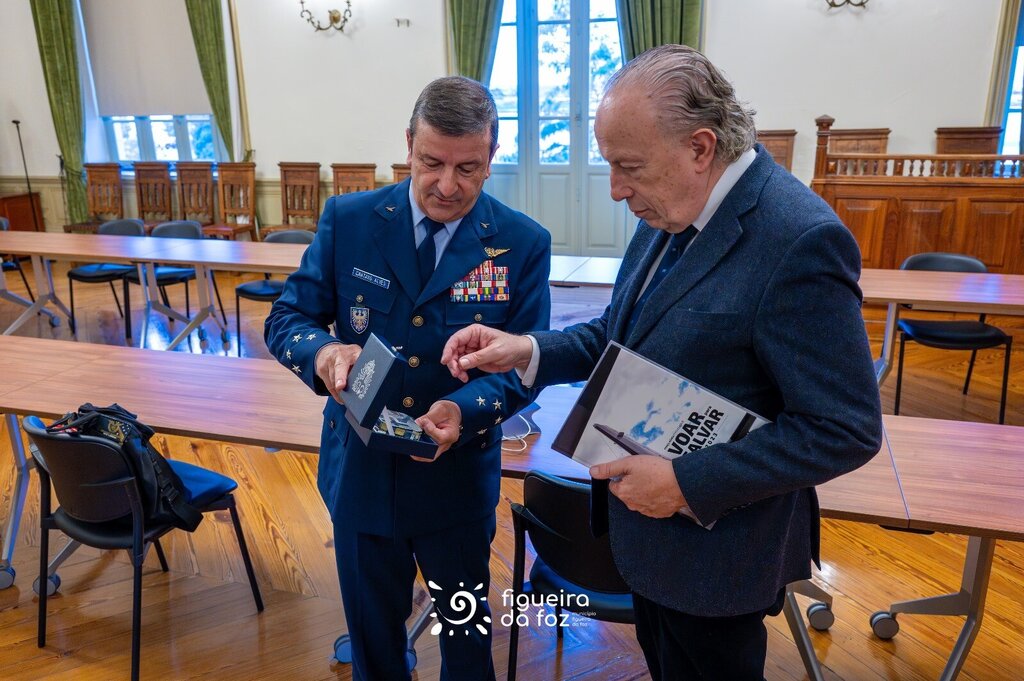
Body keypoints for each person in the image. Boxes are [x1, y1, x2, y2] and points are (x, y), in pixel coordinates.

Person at [441, 45, 883, 680]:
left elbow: (844, 428)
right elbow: (622, 334)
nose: (616, 190)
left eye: (628, 167)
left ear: (700, 148)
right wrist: (528, 349)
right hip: (648, 539)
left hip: (720, 557)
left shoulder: (799, 239)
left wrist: (685, 484)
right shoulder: (672, 204)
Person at [265, 76, 552, 681]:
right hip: (361, 476)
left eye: (468, 169)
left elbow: (524, 367)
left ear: (492, 157)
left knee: (466, 645)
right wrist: (323, 352)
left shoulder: (521, 243)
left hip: (456, 482)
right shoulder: (350, 219)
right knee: (374, 650)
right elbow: (287, 318)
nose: (447, 185)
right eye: (431, 163)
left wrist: (464, 411)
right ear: (408, 146)